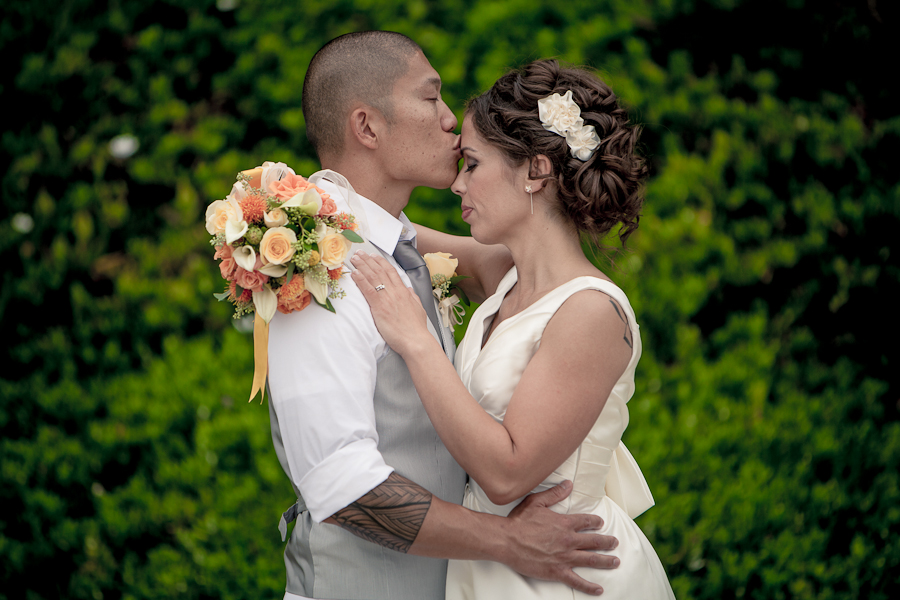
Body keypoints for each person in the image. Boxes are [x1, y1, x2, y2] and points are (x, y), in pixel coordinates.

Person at [266, 32, 621, 600]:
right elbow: (344, 487)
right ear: (367, 127)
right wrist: (507, 541)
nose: (450, 119)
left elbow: (519, 254)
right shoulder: (317, 272)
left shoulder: (389, 247)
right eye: (431, 98)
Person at [350, 59, 676, 599]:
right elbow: (386, 232)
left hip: (563, 574)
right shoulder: (502, 272)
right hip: (488, 564)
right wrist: (304, 207)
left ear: (536, 172)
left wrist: (414, 339)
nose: (456, 183)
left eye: (472, 164)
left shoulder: (590, 313)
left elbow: (506, 473)